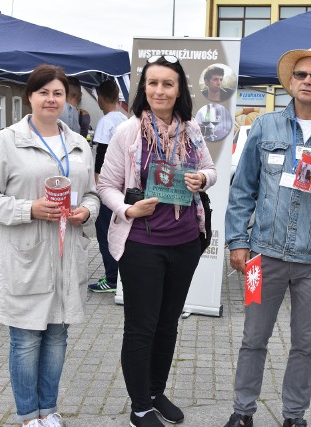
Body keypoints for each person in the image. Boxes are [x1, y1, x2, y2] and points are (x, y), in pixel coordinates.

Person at [224, 43, 311, 427]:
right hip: (260, 257)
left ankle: (294, 416)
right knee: (252, 337)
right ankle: (242, 412)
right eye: (300, 74)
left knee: (305, 345)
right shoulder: (265, 126)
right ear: (290, 80)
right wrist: (238, 242)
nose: (306, 81)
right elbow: (242, 190)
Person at [0, 64, 99, 427]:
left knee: (57, 335)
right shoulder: (7, 141)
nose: (51, 99)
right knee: (26, 338)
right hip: (25, 256)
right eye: (43, 92)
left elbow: (91, 194)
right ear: (30, 96)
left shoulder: (77, 144)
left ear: (67, 100)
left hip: (66, 253)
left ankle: (50, 410)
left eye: (58, 93)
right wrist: (28, 208)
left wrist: (85, 212)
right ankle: (28, 416)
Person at [98, 55, 216, 427]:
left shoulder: (191, 130)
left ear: (179, 89)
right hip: (142, 246)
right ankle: (139, 407)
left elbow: (210, 170)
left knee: (168, 323)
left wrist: (203, 179)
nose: (160, 90)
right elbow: (104, 186)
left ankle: (155, 391)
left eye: (168, 84)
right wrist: (128, 210)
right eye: (153, 83)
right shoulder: (128, 132)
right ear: (143, 89)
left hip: (185, 243)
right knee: (141, 326)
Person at [88, 79, 127, 293]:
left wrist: (97, 185)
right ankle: (118, 275)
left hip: (108, 187)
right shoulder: (124, 118)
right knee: (119, 231)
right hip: (123, 187)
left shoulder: (106, 122)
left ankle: (111, 278)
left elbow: (101, 155)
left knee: (104, 232)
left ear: (101, 98)